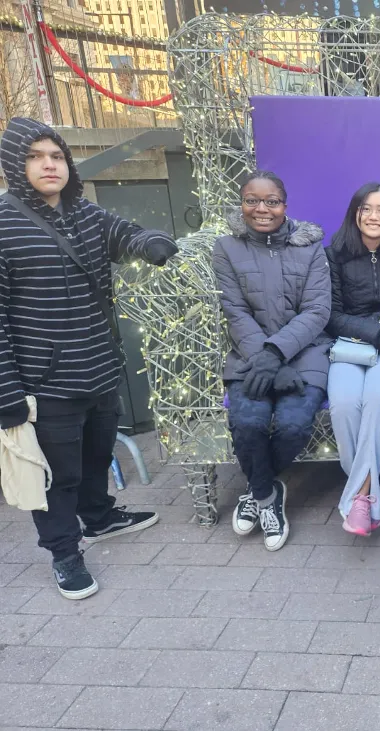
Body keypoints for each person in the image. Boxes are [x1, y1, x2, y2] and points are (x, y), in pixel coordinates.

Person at [0, 117, 178, 600]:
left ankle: (99, 518)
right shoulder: (4, 224)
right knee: (58, 475)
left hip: (99, 368)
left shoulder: (86, 214)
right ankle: (65, 553)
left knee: (97, 455)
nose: (49, 164)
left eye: (56, 156)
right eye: (36, 156)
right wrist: (8, 394)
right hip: (45, 383)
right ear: (16, 164)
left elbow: (127, 235)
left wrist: (152, 244)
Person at [213, 170, 331, 552]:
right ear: (242, 203)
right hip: (249, 355)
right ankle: (267, 496)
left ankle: (256, 487)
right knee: (248, 423)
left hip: (304, 354)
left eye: (271, 201)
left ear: (284, 205)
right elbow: (234, 311)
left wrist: (278, 353)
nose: (262, 208)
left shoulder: (310, 247)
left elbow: (317, 311)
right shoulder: (226, 249)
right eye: (252, 200)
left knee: (295, 426)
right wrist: (264, 358)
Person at [326, 182, 380, 536]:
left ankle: (359, 501)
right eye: (366, 208)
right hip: (348, 346)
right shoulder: (333, 255)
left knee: (376, 400)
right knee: (344, 405)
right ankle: (369, 493)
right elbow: (330, 314)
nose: (374, 216)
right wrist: (378, 334)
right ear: (355, 213)